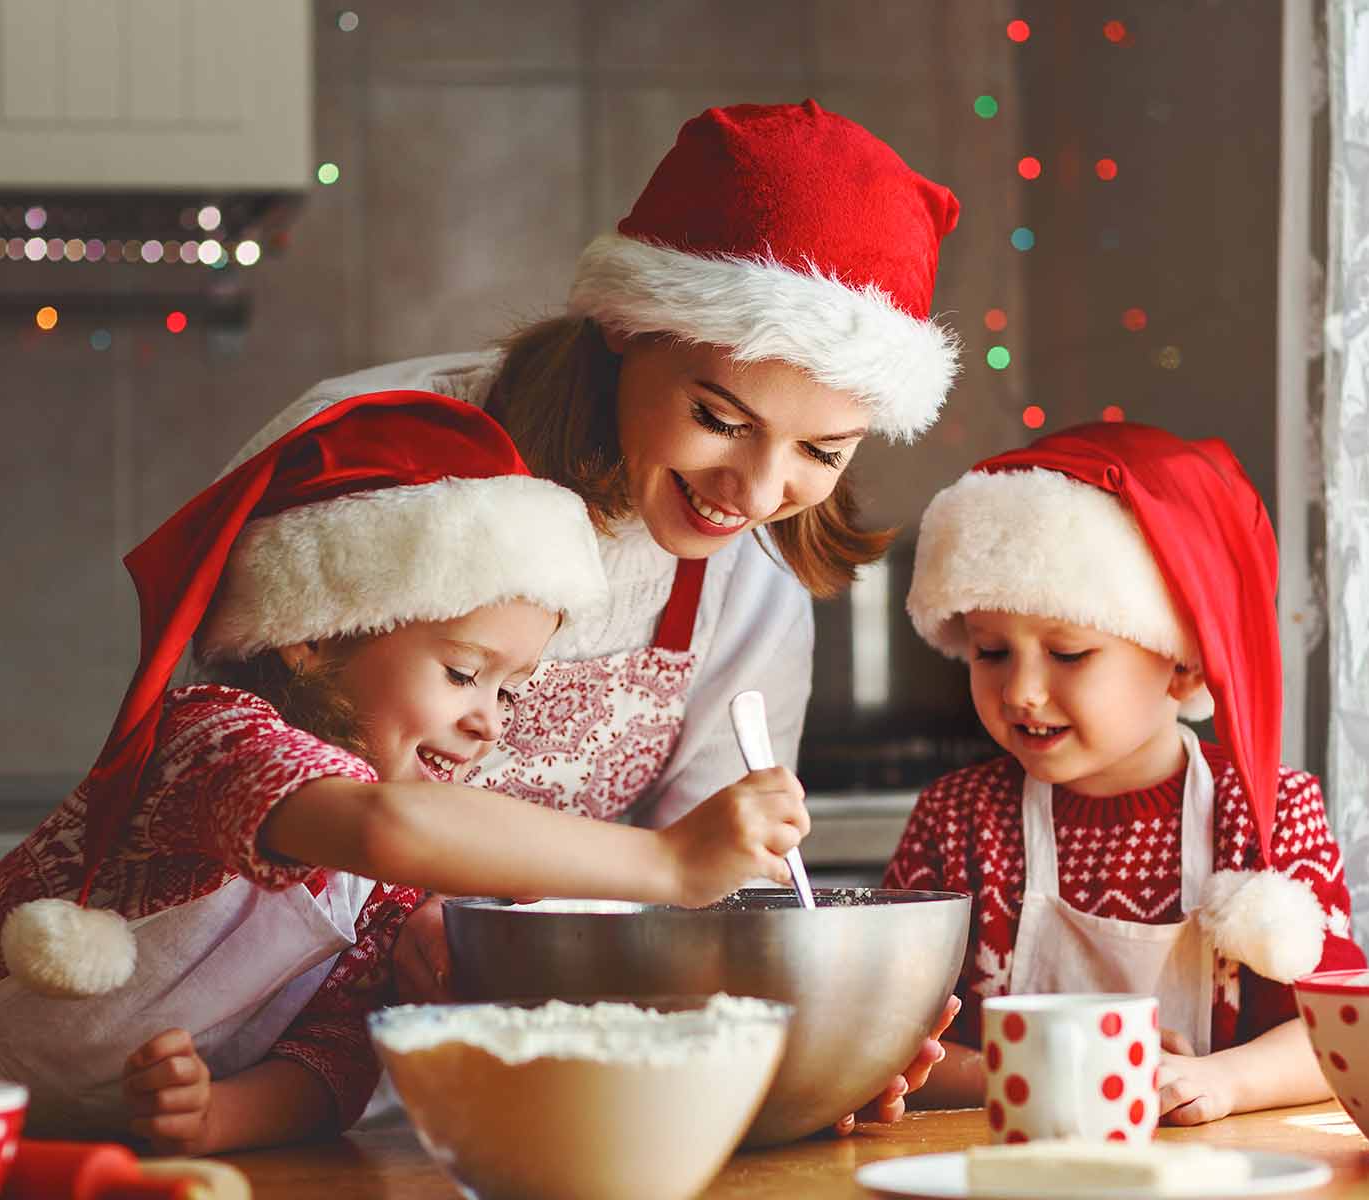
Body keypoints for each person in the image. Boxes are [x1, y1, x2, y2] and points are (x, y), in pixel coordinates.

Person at [0, 391, 809, 1154]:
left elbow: (331, 1063)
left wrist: (213, 1117)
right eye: (464, 671)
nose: (486, 721)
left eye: (510, 693)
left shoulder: (396, 868)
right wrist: (669, 864)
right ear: (313, 636)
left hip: (103, 1165)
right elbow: (382, 828)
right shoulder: (215, 739)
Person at [238, 99, 966, 1129]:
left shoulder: (746, 588)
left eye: (823, 450)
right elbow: (205, 758)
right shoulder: (365, 455)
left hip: (525, 1090)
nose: (755, 494)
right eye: (720, 419)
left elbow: (698, 898)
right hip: (230, 1071)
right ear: (625, 329)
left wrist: (811, 1047)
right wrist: (398, 905)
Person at [889, 420, 1368, 1126]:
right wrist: (1052, 1073)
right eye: (990, 652)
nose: (1021, 690)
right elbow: (891, 1047)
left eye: (1069, 653)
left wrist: (1223, 1081)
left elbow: (1341, 1031)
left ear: (1183, 663)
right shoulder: (957, 818)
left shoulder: (1265, 812)